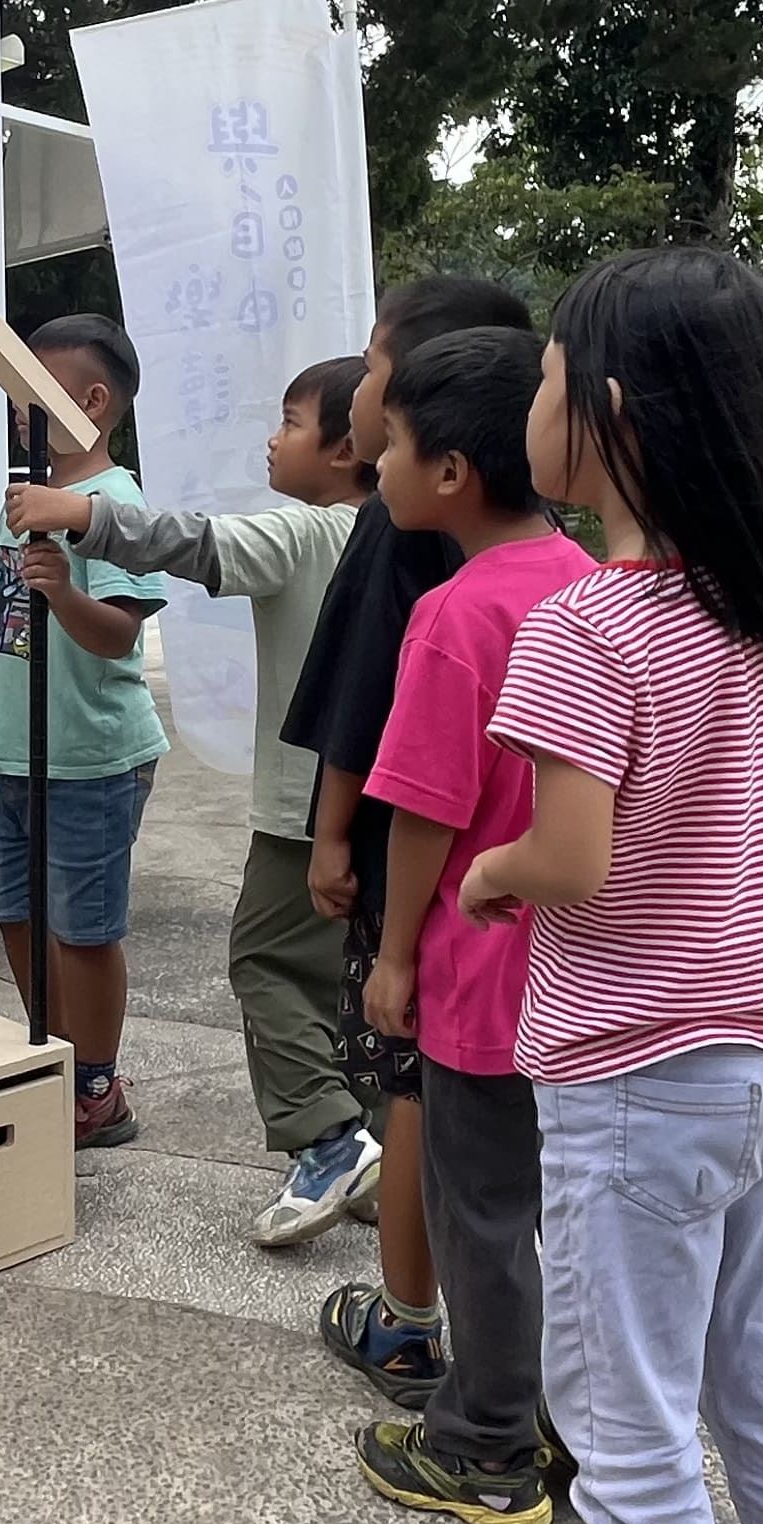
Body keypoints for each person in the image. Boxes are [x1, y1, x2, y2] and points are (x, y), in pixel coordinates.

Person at [461, 246, 763, 1524]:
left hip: (637, 1078)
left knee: (624, 1417)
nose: (535, 399)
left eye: (551, 375)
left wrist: (495, 874)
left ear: (612, 415)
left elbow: (574, 863)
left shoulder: (583, 624)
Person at [2, 355, 382, 1242]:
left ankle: (326, 1139)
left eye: (290, 423)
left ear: (344, 448)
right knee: (351, 980)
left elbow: (198, 543)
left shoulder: (311, 533)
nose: (272, 438)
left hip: (304, 810)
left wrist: (81, 515)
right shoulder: (408, 539)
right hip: (389, 808)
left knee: (265, 961)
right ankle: (376, 1149)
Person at [353, 325, 588, 1524]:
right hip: (599, 990)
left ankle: (488, 1445)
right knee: (572, 1222)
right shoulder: (605, 592)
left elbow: (426, 817)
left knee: (482, 1221)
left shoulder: (455, 616)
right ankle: (577, 1426)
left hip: (485, 987)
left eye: (388, 443)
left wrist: (395, 959)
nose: (374, 466)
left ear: (449, 472)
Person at [292, 274, 535, 1404]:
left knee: (419, 1103)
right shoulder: (582, 579)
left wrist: (336, 845)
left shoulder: (429, 568)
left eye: (377, 366)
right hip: (546, 934)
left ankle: (415, 1338)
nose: (361, 400)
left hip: (439, 916)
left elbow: (395, 743)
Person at [0, 316, 169, 1147]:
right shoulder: (22, 499)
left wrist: (63, 592)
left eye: (36, 397)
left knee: (84, 928)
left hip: (89, 754)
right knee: (15, 910)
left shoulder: (114, 504)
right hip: (17, 750)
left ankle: (96, 1083)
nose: (20, 412)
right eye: (17, 396)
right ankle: (52, 1051)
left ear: (92, 401)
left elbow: (120, 633)